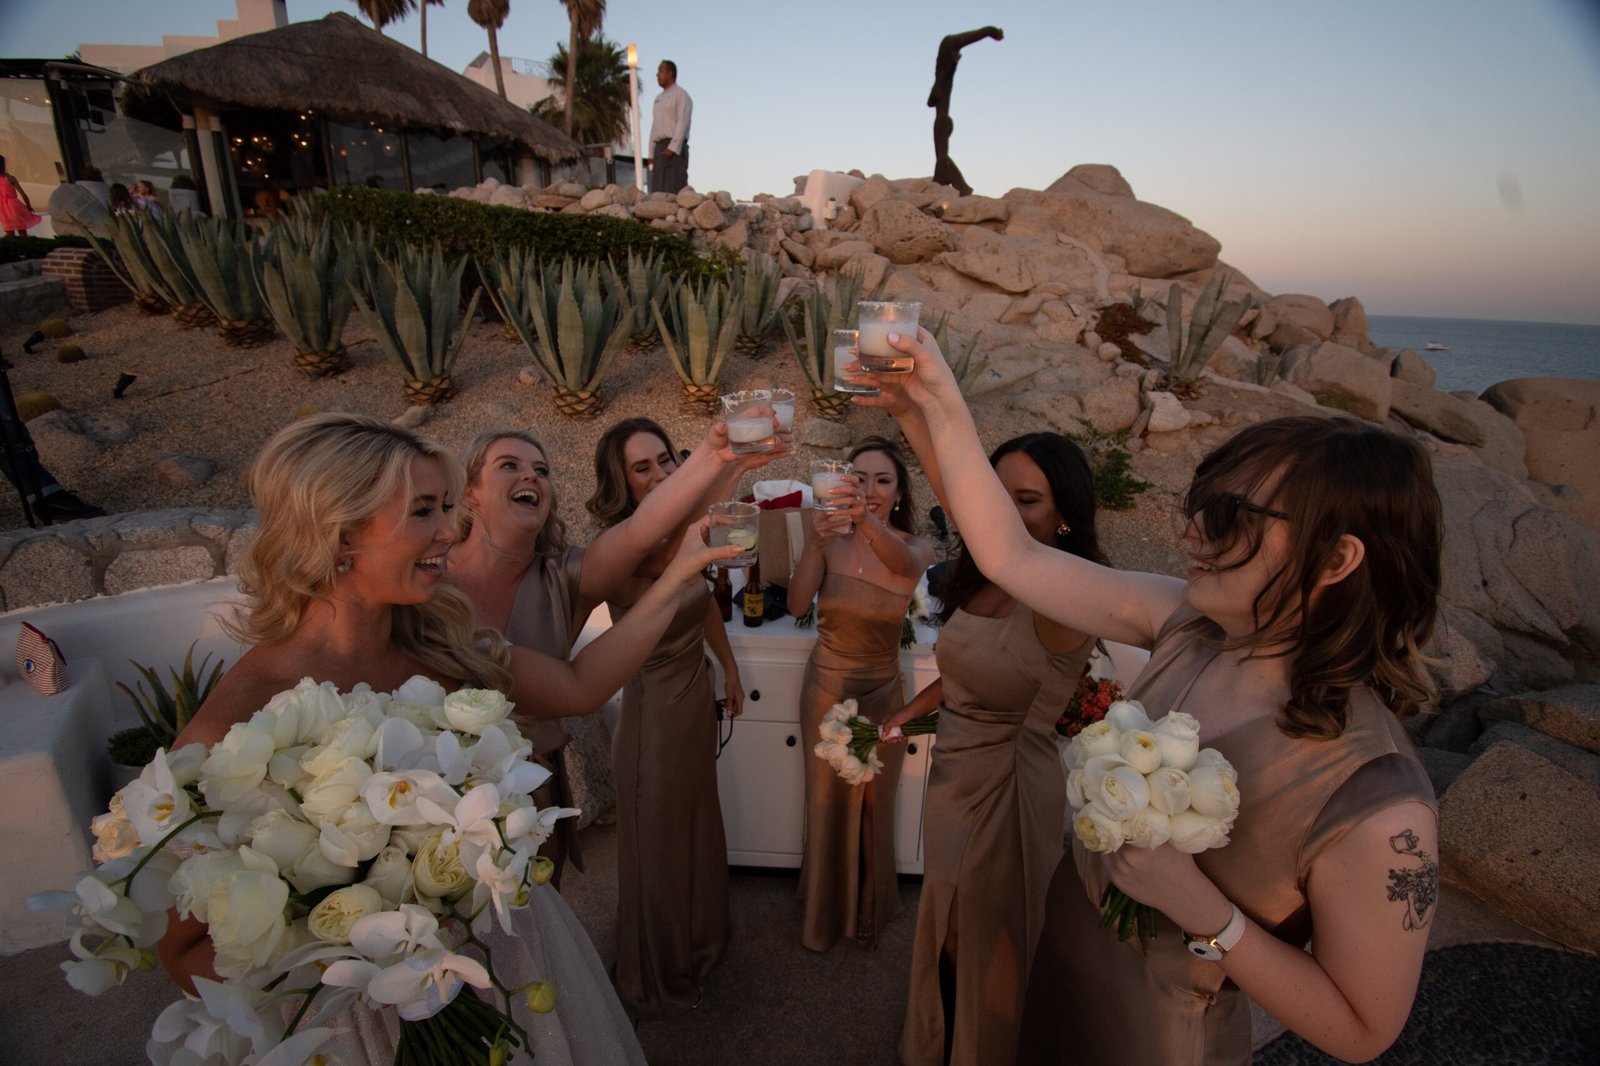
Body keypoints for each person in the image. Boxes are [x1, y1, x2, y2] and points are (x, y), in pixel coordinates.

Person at [850, 332, 1442, 1065]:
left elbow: (1362, 1030)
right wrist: (936, 399)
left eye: (1231, 516)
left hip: (1157, 1039)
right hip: (1059, 982)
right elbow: (1012, 554)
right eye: (1200, 505)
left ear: (1336, 559)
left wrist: (1207, 913)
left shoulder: (1379, 799)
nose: (1193, 531)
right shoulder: (1183, 624)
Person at [158, 413, 741, 1065]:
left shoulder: (440, 641)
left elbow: (578, 685)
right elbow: (183, 952)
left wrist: (679, 575)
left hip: (500, 959)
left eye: (446, 506)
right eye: (424, 511)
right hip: (369, 1024)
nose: (447, 528)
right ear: (340, 530)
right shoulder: (238, 726)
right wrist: (361, 964)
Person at [448, 420, 785, 890]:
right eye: (510, 465)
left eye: (542, 470)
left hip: (531, 786)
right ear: (467, 492)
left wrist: (719, 457)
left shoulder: (565, 577)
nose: (531, 476)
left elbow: (642, 536)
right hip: (439, 799)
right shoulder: (427, 580)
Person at [880, 431, 1104, 1066]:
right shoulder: (982, 577)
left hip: (1007, 787)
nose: (1005, 514)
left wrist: (924, 407)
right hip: (955, 776)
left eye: (1026, 500)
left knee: (984, 938)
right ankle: (947, 1039)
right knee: (950, 926)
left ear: (1066, 515)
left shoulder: (1064, 595)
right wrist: (908, 711)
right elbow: (974, 665)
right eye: (996, 498)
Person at [585, 417, 756, 1016]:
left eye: (665, 460)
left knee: (694, 826)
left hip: (693, 703)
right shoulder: (624, 548)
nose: (659, 473)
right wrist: (731, 468)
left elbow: (700, 597)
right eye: (643, 467)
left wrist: (728, 668)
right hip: (653, 720)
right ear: (621, 483)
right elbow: (671, 561)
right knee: (656, 844)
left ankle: (699, 940)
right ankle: (652, 976)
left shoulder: (680, 535)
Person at [788, 436, 936, 950]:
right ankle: (823, 903)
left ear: (899, 492)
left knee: (876, 803)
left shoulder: (915, 548)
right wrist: (813, 542)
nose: (870, 489)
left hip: (882, 692)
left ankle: (872, 895)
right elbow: (796, 604)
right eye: (858, 478)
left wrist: (864, 519)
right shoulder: (828, 542)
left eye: (882, 480)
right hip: (825, 687)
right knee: (824, 800)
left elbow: (902, 565)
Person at [926, 26, 1003, 196]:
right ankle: (941, 181)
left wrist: (990, 31)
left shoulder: (942, 78)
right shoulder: (944, 78)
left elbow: (931, 101)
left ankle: (960, 186)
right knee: (941, 156)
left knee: (942, 157)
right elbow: (932, 100)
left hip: (942, 121)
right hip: (944, 120)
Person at [648, 59, 692, 195]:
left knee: (674, 189)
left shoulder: (681, 95)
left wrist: (673, 147)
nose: (657, 74)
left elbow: (682, 121)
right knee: (658, 191)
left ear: (670, 73)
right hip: (660, 148)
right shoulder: (658, 99)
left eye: (661, 71)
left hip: (674, 149)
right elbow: (655, 125)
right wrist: (651, 153)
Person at [0, 154, 43, 237]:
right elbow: (23, 194)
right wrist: (29, 206)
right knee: (22, 230)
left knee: (9, 232)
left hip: (2, 208)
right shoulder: (10, 178)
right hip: (14, 206)